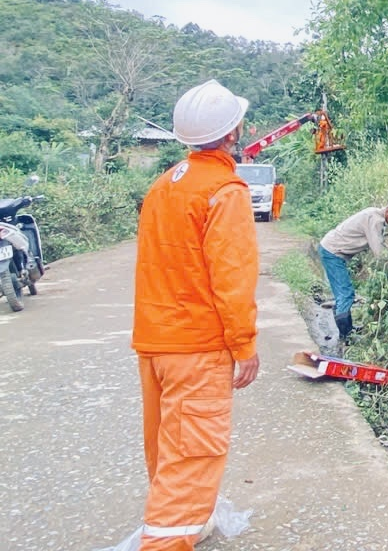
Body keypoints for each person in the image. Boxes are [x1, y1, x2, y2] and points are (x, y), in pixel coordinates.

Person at [131, 79, 260, 549]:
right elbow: (232, 277)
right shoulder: (225, 191)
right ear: (234, 132)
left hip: (155, 345)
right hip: (197, 350)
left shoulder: (163, 186)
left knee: (169, 453)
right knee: (190, 459)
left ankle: (186, 525)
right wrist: (244, 345)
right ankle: (166, 539)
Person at [318, 202, 388, 339]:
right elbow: (378, 251)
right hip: (332, 252)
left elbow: (380, 245)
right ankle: (346, 336)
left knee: (342, 294)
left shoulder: (375, 216)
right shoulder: (375, 219)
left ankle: (347, 329)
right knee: (346, 294)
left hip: (330, 249)